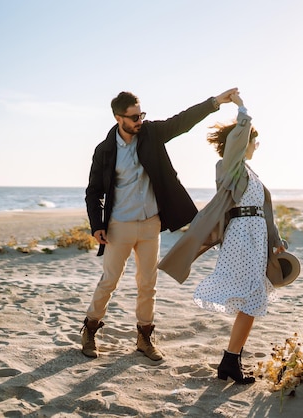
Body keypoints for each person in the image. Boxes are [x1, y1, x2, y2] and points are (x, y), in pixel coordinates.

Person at [82, 88, 239, 361]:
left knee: (148, 284)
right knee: (109, 281)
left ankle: (144, 338)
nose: (139, 120)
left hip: (150, 224)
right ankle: (90, 330)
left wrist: (215, 102)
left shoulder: (152, 134)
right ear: (119, 118)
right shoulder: (105, 150)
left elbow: (182, 121)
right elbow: (93, 190)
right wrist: (97, 225)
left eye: (141, 114)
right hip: (120, 225)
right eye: (133, 117)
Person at [158, 92, 285, 383]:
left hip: (256, 237)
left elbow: (264, 211)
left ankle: (231, 360)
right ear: (241, 142)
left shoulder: (252, 174)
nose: (256, 145)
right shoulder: (230, 167)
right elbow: (240, 137)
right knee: (252, 297)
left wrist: (275, 239)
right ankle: (230, 361)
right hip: (241, 238)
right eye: (254, 140)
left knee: (253, 298)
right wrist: (241, 108)